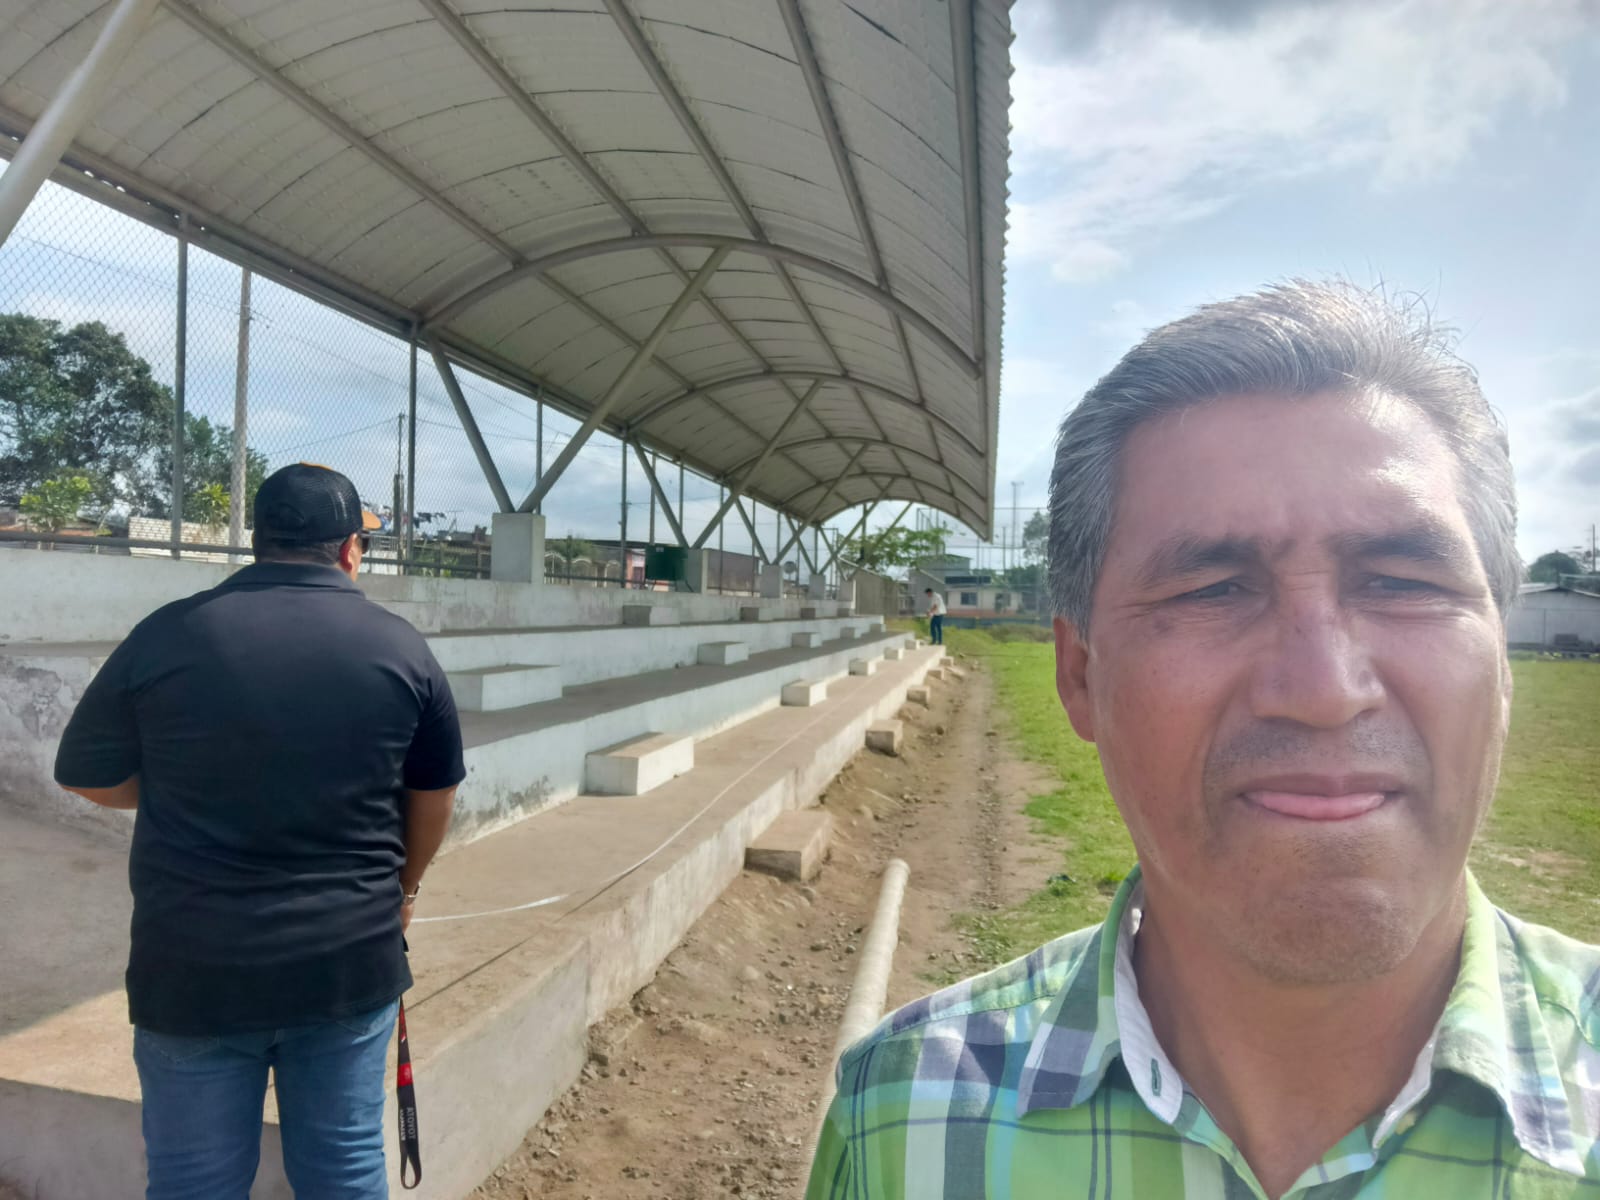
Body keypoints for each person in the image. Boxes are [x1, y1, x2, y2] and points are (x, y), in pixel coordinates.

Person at [807, 282, 1600, 1198]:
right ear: (1081, 676)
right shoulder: (901, 1121)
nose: (1323, 690)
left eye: (1402, 581)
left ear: (1499, 662)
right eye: (1212, 591)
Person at [54, 463, 465, 1199]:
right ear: (350, 550)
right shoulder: (401, 648)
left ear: (259, 540)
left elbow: (85, 774)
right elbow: (433, 795)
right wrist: (406, 890)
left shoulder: (166, 634)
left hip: (193, 971)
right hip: (346, 963)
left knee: (192, 1183)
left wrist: (172, 790)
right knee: (344, 1170)